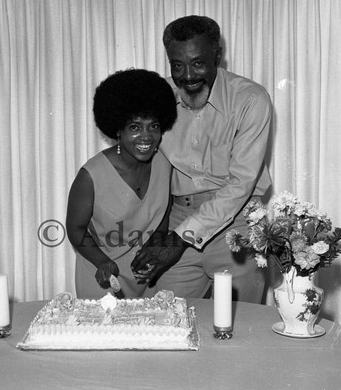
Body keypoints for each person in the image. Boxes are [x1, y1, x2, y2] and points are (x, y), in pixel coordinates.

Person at [131, 15, 273, 303]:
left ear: (218, 56)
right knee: (166, 321)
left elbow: (240, 185)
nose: (187, 76)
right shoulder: (158, 95)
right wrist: (162, 230)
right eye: (177, 65)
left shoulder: (251, 99)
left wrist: (178, 238)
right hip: (178, 219)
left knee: (239, 327)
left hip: (239, 223)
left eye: (198, 63)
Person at [66, 69, 177, 299]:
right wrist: (101, 261)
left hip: (147, 278)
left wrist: (156, 246)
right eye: (135, 127)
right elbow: (75, 228)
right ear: (117, 129)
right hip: (104, 277)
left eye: (153, 126)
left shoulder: (165, 164)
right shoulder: (91, 175)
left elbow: (164, 211)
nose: (146, 136)